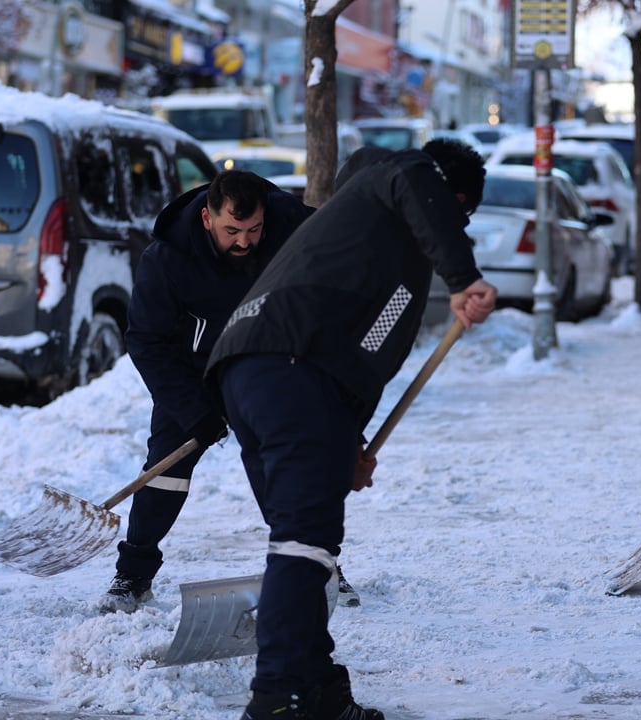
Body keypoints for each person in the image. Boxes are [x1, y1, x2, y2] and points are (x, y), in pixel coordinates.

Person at [204, 139, 498, 720]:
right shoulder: (401, 174)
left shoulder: (374, 246)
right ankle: (276, 699)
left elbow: (359, 354)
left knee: (304, 547)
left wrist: (350, 442)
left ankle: (316, 690)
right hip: (287, 369)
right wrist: (463, 276)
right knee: (304, 539)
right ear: (450, 195)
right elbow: (412, 171)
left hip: (266, 375)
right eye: (455, 212)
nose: (447, 222)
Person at [101, 170, 373, 613]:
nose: (244, 241)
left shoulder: (294, 229)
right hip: (195, 371)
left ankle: (317, 564)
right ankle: (133, 574)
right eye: (232, 230)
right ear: (207, 218)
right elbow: (146, 340)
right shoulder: (168, 257)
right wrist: (193, 410)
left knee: (285, 468)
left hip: (266, 364)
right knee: (167, 470)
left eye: (253, 230)